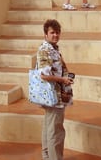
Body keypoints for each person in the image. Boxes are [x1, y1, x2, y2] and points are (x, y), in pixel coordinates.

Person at [36, 19, 74, 160]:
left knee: (49, 128)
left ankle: (47, 157)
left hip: (52, 96)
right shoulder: (46, 50)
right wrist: (63, 80)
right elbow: (44, 75)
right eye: (52, 32)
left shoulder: (53, 49)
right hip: (53, 96)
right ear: (46, 34)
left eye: (57, 32)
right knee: (56, 132)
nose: (55, 35)